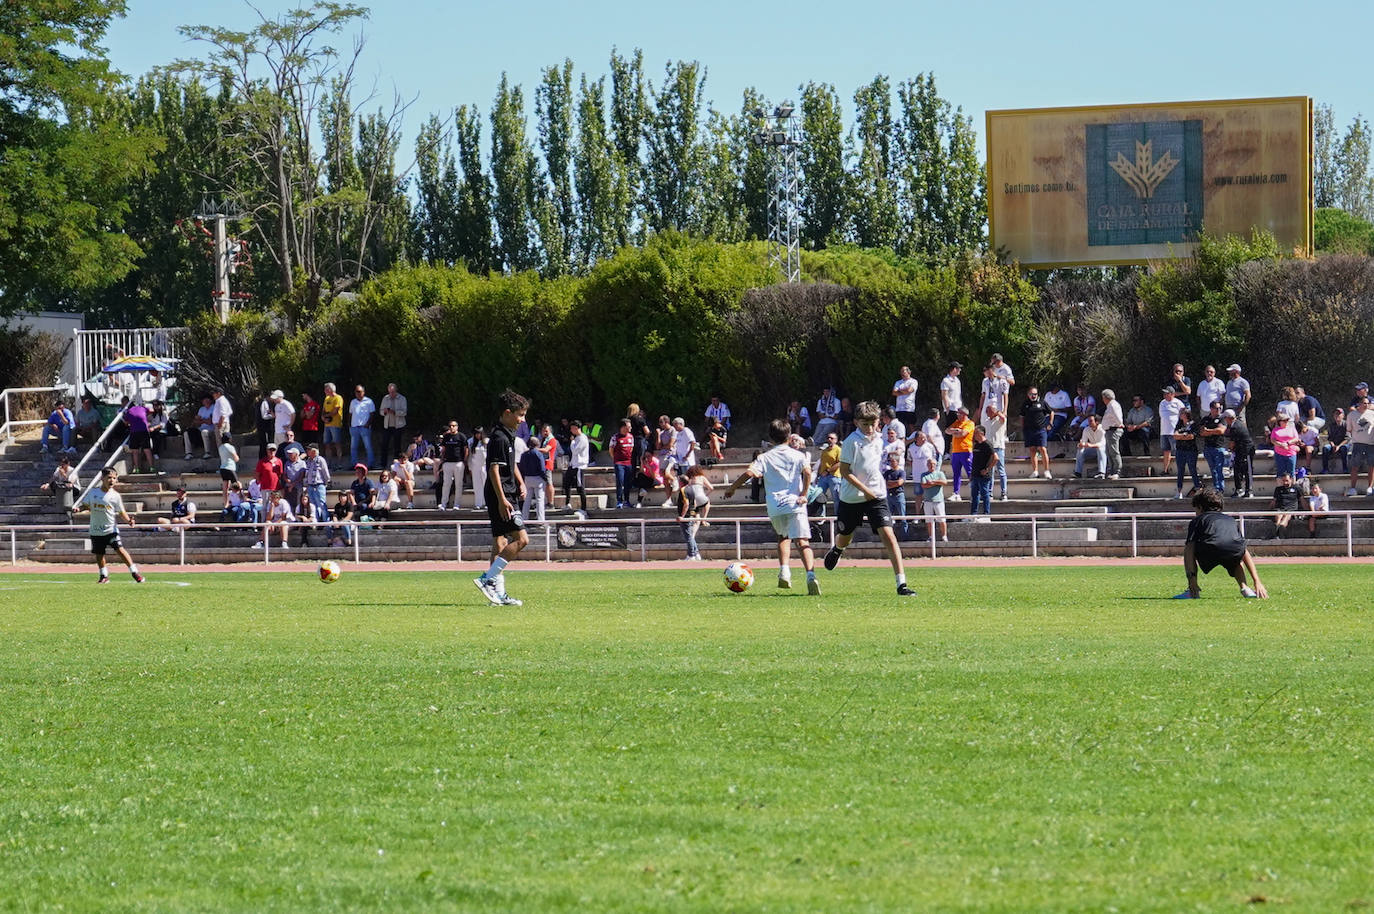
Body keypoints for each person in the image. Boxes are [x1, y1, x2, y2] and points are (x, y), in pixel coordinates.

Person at [821, 400, 916, 597]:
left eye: (873, 423)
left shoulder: (881, 440)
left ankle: (902, 584)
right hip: (852, 497)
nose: (870, 428)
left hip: (877, 496)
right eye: (865, 424)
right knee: (846, 536)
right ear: (856, 422)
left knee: (889, 536)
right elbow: (845, 472)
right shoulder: (850, 442)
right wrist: (864, 490)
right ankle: (838, 549)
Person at [724, 418, 820, 593]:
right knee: (802, 541)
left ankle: (784, 572)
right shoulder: (798, 455)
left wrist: (732, 488)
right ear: (789, 436)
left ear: (770, 437)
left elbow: (748, 473)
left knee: (783, 537)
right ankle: (811, 576)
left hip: (775, 505)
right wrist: (804, 494)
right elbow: (807, 472)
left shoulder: (764, 457)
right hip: (795, 503)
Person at [474, 389, 531, 607]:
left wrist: (521, 481)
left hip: (506, 491)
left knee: (500, 541)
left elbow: (511, 464)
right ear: (508, 413)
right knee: (522, 539)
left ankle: (497, 594)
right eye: (520, 415)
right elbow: (493, 470)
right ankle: (487, 578)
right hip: (502, 494)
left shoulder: (508, 435)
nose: (523, 419)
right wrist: (502, 499)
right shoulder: (498, 438)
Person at [1174, 488, 1266, 600]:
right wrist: (1257, 581)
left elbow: (1189, 548)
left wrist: (1191, 578)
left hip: (1209, 548)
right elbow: (1243, 551)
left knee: (1189, 548)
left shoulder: (1197, 520)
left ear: (1200, 507)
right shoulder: (1230, 520)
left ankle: (1192, 590)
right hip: (1233, 549)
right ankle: (1245, 588)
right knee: (1236, 556)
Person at [74, 467, 145, 583]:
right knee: (99, 554)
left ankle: (135, 572)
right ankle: (104, 576)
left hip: (110, 530)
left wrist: (128, 521)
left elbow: (121, 512)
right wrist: (79, 509)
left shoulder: (115, 496)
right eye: (109, 478)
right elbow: (86, 505)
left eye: (114, 478)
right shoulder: (93, 492)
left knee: (120, 550)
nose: (112, 480)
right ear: (102, 478)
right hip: (96, 530)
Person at [674, 465, 714, 561]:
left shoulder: (690, 481)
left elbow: (687, 502)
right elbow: (711, 488)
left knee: (694, 520)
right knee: (707, 504)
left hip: (694, 500)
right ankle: (704, 519)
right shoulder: (702, 477)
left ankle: (692, 552)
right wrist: (706, 495)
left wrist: (682, 516)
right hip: (702, 498)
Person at [1020, 386, 1053, 479]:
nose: (1033, 396)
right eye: (1031, 394)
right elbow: (1022, 416)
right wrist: (1023, 428)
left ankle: (1047, 471)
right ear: (1028, 395)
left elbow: (1051, 412)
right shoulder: (1025, 404)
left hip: (1041, 429)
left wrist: (1050, 423)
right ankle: (1035, 471)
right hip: (1029, 430)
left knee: (1043, 449)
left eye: (1035, 394)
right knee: (1032, 450)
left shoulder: (1042, 402)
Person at [1345, 395, 1374, 496]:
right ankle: (1353, 488)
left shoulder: (1372, 414)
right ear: (1359, 404)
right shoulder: (1351, 415)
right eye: (1364, 403)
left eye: (1367, 403)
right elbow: (1349, 430)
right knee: (1355, 467)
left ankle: (1370, 487)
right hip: (1357, 444)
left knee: (1371, 466)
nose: (1366, 405)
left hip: (1371, 444)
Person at [1222, 409, 1255, 498]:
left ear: (1229, 418)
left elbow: (1232, 443)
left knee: (1247, 470)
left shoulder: (1235, 427)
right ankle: (1239, 489)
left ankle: (1249, 490)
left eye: (1225, 418)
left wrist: (1230, 449)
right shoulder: (1236, 424)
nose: (1225, 420)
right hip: (1239, 450)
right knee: (1237, 469)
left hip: (1246, 451)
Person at [438, 420, 468, 510]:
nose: (452, 427)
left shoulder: (461, 436)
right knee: (446, 484)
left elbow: (466, 449)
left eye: (454, 426)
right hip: (447, 463)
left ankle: (457, 504)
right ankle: (443, 504)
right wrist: (443, 460)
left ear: (457, 427)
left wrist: (464, 461)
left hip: (458, 463)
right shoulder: (446, 437)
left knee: (458, 484)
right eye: (450, 426)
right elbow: (443, 449)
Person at [1172, 407, 1202, 498]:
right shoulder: (1179, 424)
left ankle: (1197, 489)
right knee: (1180, 471)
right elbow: (1175, 436)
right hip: (1180, 450)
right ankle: (1179, 491)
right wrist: (1184, 435)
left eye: (1182, 413)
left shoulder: (1193, 424)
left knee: (1192, 470)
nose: (1180, 415)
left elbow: (1192, 436)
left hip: (1191, 450)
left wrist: (1182, 436)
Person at [981, 402, 1009, 501]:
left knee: (1001, 471)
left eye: (988, 411)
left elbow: (1003, 418)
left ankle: (1004, 492)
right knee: (990, 471)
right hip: (989, 448)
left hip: (999, 447)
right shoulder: (986, 422)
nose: (986, 413)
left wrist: (996, 412)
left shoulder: (1000, 420)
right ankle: (989, 493)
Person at [1198, 401, 1229, 491]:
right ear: (1211, 409)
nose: (1219, 410)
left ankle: (1220, 489)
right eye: (1217, 408)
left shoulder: (1222, 419)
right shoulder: (1205, 419)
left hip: (1219, 447)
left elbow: (1221, 431)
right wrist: (1212, 431)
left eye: (1220, 408)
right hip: (1208, 447)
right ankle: (1216, 487)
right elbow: (1201, 433)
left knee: (1219, 469)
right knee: (1213, 469)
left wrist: (1208, 431)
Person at [946, 406, 975, 501]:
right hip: (955, 451)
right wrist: (956, 431)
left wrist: (955, 432)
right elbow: (947, 431)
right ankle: (956, 493)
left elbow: (963, 434)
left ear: (965, 414)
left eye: (959, 413)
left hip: (966, 451)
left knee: (970, 472)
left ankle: (975, 492)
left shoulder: (970, 423)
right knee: (956, 473)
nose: (957, 415)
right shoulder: (956, 423)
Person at [919, 456, 949, 542]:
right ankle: (931, 536)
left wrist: (932, 482)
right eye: (930, 464)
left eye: (933, 464)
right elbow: (924, 485)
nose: (931, 465)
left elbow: (944, 482)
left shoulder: (940, 474)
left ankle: (944, 536)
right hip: (928, 501)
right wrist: (937, 483)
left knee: (942, 519)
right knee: (929, 520)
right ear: (927, 465)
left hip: (939, 500)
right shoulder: (924, 474)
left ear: (936, 465)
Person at [968, 426, 998, 516]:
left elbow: (996, 458)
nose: (974, 435)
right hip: (975, 474)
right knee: (974, 495)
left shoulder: (987, 444)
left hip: (983, 475)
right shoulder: (976, 444)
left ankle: (986, 513)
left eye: (976, 433)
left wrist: (987, 469)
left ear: (981, 433)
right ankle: (973, 513)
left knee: (984, 494)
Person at [518, 435, 548, 523]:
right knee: (539, 500)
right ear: (537, 444)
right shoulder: (538, 454)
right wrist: (545, 478)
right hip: (538, 478)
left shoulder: (524, 454)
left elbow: (522, 467)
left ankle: (524, 519)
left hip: (527, 478)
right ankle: (541, 520)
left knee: (527, 500)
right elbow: (542, 468)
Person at [562, 420, 590, 512]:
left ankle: (583, 508)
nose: (571, 430)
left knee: (580, 486)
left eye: (572, 428)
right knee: (567, 483)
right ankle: (567, 503)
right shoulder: (577, 438)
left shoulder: (582, 438)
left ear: (576, 428)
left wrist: (572, 442)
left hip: (579, 466)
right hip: (573, 464)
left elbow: (575, 451)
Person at [302, 442, 331, 527]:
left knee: (322, 505)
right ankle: (317, 524)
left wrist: (326, 483)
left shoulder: (320, 460)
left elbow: (325, 472)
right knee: (313, 507)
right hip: (310, 486)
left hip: (319, 485)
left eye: (309, 450)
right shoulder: (308, 461)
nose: (307, 451)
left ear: (314, 451)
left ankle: (326, 524)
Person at [349, 384, 377, 469]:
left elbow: (372, 414)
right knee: (353, 447)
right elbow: (350, 414)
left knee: (368, 446)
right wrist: (349, 424)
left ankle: (371, 464)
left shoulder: (369, 401)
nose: (357, 393)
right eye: (356, 391)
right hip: (354, 427)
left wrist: (368, 424)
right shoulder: (353, 402)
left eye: (359, 391)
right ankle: (354, 465)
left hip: (364, 427)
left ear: (363, 392)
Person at [124, 397, 154, 474]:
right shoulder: (143, 408)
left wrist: (132, 422)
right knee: (147, 450)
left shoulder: (128, 411)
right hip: (144, 431)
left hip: (134, 432)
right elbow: (151, 411)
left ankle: (137, 469)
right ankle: (151, 468)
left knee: (135, 451)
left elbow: (126, 423)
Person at [379, 383, 407, 464]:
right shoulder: (385, 398)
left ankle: (397, 464)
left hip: (398, 425)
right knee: (384, 444)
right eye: (390, 392)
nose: (392, 394)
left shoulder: (402, 398)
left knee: (397, 446)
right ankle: (383, 464)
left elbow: (404, 412)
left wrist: (394, 412)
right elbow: (380, 411)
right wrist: (384, 412)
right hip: (387, 425)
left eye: (393, 392)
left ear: (396, 391)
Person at [609, 419, 635, 509]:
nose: (630, 428)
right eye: (628, 426)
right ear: (623, 427)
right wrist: (616, 460)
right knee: (620, 481)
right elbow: (611, 450)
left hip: (628, 463)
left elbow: (631, 448)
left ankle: (627, 501)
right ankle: (619, 501)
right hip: (619, 463)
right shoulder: (615, 437)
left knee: (628, 482)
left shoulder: (631, 437)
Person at [1158, 386, 1183, 475]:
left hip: (1174, 431)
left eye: (1167, 393)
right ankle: (1165, 470)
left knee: (1177, 450)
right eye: (1164, 393)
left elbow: (1183, 415)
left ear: (1172, 394)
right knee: (1166, 451)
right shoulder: (1162, 403)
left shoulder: (1178, 403)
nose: (1165, 395)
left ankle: (1180, 469)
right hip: (1164, 431)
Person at [1099, 389, 1124, 479]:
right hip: (1109, 431)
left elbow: (1118, 418)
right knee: (1109, 452)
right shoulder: (1110, 405)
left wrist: (1119, 424)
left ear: (1106, 397)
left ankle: (1117, 471)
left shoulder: (1113, 405)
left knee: (1114, 451)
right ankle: (1112, 470)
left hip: (1113, 430)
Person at [1268, 472, 1302, 539]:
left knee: (1287, 515)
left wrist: (1307, 511)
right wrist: (1267, 511)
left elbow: (1302, 500)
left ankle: (1281, 528)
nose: (1285, 483)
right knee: (1278, 515)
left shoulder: (1297, 488)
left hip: (1291, 510)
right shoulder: (1278, 489)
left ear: (1291, 480)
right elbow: (1274, 501)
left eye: (1286, 480)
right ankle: (1278, 531)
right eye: (1283, 481)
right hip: (1280, 509)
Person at [1074, 414, 1106, 479]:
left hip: (1105, 451)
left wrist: (1090, 445)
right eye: (1088, 421)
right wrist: (1081, 444)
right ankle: (1078, 473)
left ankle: (1101, 473)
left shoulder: (1103, 429)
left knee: (1100, 449)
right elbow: (1084, 441)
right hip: (1093, 450)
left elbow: (1102, 443)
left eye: (1091, 421)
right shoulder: (1086, 429)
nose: (1089, 423)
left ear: (1097, 422)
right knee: (1081, 450)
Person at [1268, 414, 1300, 479]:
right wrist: (1281, 444)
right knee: (1280, 472)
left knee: (1291, 472)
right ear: (1280, 421)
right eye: (1284, 420)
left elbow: (1296, 438)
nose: (1286, 422)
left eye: (1287, 420)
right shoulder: (1275, 430)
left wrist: (1288, 443)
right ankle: (1280, 487)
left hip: (1291, 452)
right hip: (1279, 453)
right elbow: (1273, 440)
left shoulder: (1292, 429)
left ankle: (1292, 486)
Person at [321, 382, 345, 463]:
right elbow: (323, 410)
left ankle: (339, 463)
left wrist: (327, 416)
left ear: (331, 389)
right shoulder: (326, 399)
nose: (325, 391)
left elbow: (335, 410)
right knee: (327, 444)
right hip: (327, 425)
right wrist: (323, 417)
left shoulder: (338, 398)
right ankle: (329, 462)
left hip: (335, 424)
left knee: (337, 444)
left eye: (326, 389)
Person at [1323, 408, 1349, 475]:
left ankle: (1345, 469)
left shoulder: (1346, 424)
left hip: (1343, 444)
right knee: (1325, 448)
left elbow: (1347, 439)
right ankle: (1325, 469)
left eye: (1339, 414)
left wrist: (1338, 446)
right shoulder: (1331, 425)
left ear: (1343, 415)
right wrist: (1333, 445)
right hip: (1334, 445)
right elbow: (1330, 438)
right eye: (1336, 414)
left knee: (1344, 448)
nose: (1337, 415)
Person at [217, 432, 241, 506]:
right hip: (230, 467)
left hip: (222, 468)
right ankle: (240, 499)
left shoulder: (220, 447)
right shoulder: (230, 447)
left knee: (225, 487)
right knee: (237, 485)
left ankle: (226, 503)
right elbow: (236, 458)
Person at [892, 366, 918, 431]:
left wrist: (900, 391)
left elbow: (910, 390)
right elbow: (894, 392)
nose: (902, 373)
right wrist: (905, 391)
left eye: (903, 371)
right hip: (899, 408)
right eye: (901, 372)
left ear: (908, 372)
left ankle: (914, 440)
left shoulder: (913, 381)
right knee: (899, 425)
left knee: (911, 425)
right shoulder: (898, 382)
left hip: (909, 408)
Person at [939, 362, 963, 431]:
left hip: (958, 408)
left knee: (958, 427)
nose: (960, 370)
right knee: (950, 428)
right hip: (951, 408)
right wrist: (947, 409)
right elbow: (944, 395)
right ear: (954, 369)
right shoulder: (946, 381)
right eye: (959, 368)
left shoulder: (957, 380)